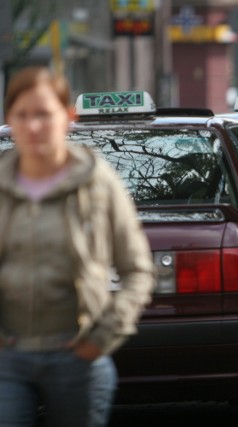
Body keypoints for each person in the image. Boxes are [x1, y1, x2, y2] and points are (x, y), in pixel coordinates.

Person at [0, 67, 154, 426]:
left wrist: (102, 338)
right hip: (8, 359)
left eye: (43, 114)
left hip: (78, 358)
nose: (33, 126)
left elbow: (138, 270)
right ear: (9, 118)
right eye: (22, 115)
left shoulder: (99, 183)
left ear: (67, 117)